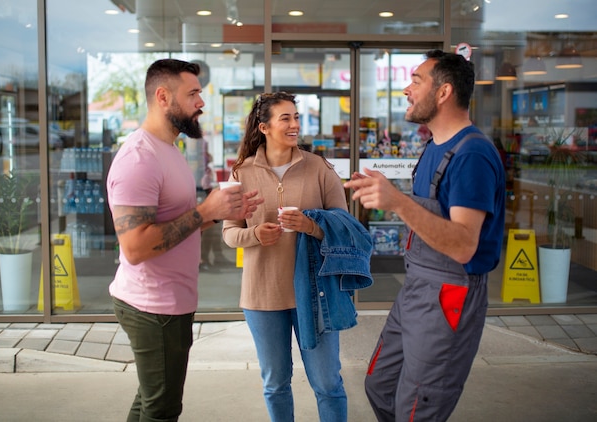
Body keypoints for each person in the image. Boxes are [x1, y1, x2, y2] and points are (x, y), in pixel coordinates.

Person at [344, 50, 506, 421]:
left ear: (444, 92)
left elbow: (465, 245)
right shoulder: (433, 147)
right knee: (380, 385)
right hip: (417, 286)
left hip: (450, 292)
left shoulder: (472, 155)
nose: (406, 88)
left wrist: (397, 201)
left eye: (416, 80)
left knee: (418, 408)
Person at [106, 59, 263, 422]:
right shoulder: (138, 159)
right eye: (192, 94)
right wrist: (205, 211)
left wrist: (219, 211)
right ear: (163, 97)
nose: (201, 103)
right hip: (152, 306)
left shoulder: (168, 149)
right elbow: (135, 247)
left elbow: (177, 223)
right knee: (162, 409)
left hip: (170, 302)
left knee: (150, 402)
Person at [221, 92, 362, 422]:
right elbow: (229, 233)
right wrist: (255, 235)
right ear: (264, 127)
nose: (295, 124)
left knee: (328, 383)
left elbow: (346, 229)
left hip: (316, 294)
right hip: (262, 295)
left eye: (297, 117)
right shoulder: (241, 173)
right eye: (286, 118)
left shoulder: (319, 168)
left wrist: (311, 225)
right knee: (275, 383)